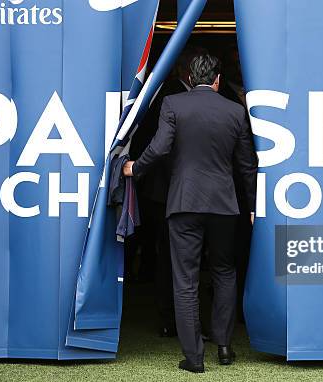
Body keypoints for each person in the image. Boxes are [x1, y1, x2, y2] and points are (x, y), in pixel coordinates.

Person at [122, 54, 258, 373]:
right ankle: (224, 345)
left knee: (185, 279)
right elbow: (246, 165)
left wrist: (135, 168)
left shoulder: (173, 104)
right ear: (217, 80)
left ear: (190, 77)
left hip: (183, 201)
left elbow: (159, 148)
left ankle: (194, 358)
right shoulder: (235, 111)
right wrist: (252, 206)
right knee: (225, 271)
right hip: (224, 205)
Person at [129, 45, 207, 338]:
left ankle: (186, 320)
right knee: (169, 256)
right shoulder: (165, 95)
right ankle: (169, 318)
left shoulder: (197, 97)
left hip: (186, 187)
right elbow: (154, 142)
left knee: (186, 258)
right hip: (165, 188)